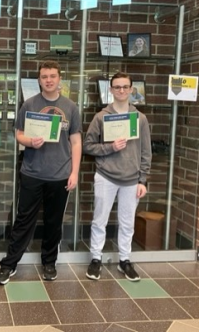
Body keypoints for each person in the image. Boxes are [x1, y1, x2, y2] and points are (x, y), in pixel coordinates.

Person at [0, 60, 82, 285]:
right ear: (39, 80)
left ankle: (49, 263)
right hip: (32, 172)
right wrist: (29, 142)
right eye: (44, 77)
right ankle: (9, 264)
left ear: (59, 78)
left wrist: (74, 173)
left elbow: (76, 142)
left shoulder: (70, 107)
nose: (49, 80)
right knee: (24, 220)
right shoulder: (29, 105)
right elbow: (19, 134)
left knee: (54, 222)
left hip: (60, 174)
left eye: (53, 75)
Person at [84, 72, 152, 282]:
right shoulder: (101, 117)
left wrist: (143, 180)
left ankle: (125, 260)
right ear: (111, 90)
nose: (121, 90)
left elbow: (146, 152)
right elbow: (88, 146)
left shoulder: (140, 119)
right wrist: (110, 147)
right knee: (99, 220)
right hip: (106, 176)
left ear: (131, 89)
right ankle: (96, 258)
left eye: (125, 87)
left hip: (132, 180)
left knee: (127, 223)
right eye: (117, 87)